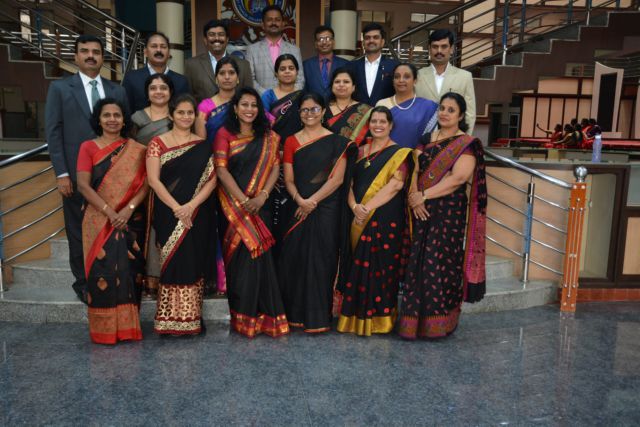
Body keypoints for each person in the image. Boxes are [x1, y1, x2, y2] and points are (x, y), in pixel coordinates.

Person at [45, 34, 129, 303]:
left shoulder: (117, 90)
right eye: (85, 51)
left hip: (113, 175)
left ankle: (111, 277)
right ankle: (83, 282)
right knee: (77, 230)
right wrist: (61, 173)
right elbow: (53, 132)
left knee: (112, 228)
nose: (91, 56)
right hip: (75, 175)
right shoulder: (60, 89)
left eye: (96, 51)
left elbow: (126, 130)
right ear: (76, 56)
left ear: (103, 57)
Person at [399, 92, 487, 340]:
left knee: (439, 262)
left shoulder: (466, 144)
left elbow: (458, 179)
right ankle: (413, 323)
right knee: (418, 262)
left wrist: (423, 195)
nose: (445, 114)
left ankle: (439, 323)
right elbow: (413, 169)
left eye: (451, 110)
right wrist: (414, 196)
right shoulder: (426, 139)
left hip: (448, 211)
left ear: (461, 115)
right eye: (442, 109)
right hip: (420, 208)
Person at [214, 87, 289, 338]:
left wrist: (262, 196)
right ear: (235, 108)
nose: (249, 109)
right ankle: (243, 317)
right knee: (240, 262)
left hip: (260, 206)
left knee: (262, 262)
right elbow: (221, 170)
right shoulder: (224, 134)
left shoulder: (269, 136)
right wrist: (243, 200)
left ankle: (267, 318)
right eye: (244, 105)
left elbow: (275, 168)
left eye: (254, 105)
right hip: (233, 207)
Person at [277, 93, 356, 333]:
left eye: (314, 109)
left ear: (323, 112)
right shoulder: (291, 141)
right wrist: (300, 200)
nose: (309, 114)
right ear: (299, 113)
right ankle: (295, 316)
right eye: (304, 110)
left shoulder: (338, 142)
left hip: (326, 209)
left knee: (323, 259)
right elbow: (288, 179)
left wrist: (312, 202)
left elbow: (337, 180)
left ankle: (319, 317)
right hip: (296, 208)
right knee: (295, 258)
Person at [76, 98, 148, 344]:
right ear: (98, 120)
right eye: (106, 115)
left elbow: (146, 185)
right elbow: (83, 186)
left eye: (117, 115)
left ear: (124, 120)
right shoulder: (88, 147)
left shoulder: (137, 150)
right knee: (102, 272)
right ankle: (104, 331)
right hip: (97, 220)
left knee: (129, 273)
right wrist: (109, 211)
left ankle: (128, 329)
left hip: (129, 220)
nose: (112, 120)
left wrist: (128, 209)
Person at [336, 106, 412, 337]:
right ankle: (353, 318)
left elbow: (395, 185)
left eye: (382, 121)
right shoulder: (358, 151)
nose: (378, 125)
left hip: (385, 217)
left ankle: (381, 321)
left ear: (391, 126)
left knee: (381, 267)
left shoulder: (401, 153)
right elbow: (347, 184)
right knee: (357, 267)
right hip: (357, 214)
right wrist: (355, 207)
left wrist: (367, 208)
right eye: (374, 121)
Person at [146, 94, 218, 335]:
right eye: (181, 112)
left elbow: (211, 180)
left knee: (193, 260)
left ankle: (191, 318)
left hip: (197, 213)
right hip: (168, 212)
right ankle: (168, 320)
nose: (186, 117)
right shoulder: (157, 143)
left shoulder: (202, 145)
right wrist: (177, 208)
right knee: (172, 261)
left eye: (190, 113)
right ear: (171, 115)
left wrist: (191, 206)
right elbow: (153, 181)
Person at [129, 73, 174, 298]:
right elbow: (131, 152)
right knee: (146, 230)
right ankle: (148, 280)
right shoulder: (137, 118)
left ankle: (170, 277)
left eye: (163, 87)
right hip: (143, 182)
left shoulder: (178, 116)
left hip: (173, 183)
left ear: (170, 92)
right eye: (153, 88)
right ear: (147, 93)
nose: (158, 92)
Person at [415, 29, 476, 134]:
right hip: (422, 137)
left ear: (451, 49)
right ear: (429, 49)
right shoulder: (417, 76)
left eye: (444, 47)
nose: (439, 51)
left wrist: (464, 140)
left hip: (453, 139)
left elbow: (470, 114)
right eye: (435, 47)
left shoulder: (465, 77)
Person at [184, 19, 252, 103]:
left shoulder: (243, 65)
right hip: (203, 111)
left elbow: (249, 96)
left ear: (227, 39)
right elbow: (188, 98)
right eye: (212, 35)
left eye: (221, 34)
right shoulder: (192, 65)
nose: (217, 38)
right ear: (205, 40)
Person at [122, 32, 189, 112]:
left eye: (163, 47)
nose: (159, 50)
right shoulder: (132, 79)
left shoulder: (181, 81)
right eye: (154, 46)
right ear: (145, 52)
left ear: (169, 53)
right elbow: (126, 112)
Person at [245, 5, 305, 95]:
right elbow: (250, 79)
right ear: (263, 24)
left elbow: (300, 79)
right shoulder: (252, 50)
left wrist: (286, 96)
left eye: (277, 20)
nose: (274, 23)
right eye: (269, 20)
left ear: (283, 24)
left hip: (288, 100)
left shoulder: (294, 50)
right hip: (262, 100)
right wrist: (267, 95)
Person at [377, 63, 439, 149]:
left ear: (415, 81)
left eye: (406, 77)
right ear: (393, 80)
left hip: (416, 155)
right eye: (397, 77)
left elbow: (433, 137)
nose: (401, 80)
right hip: (386, 154)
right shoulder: (382, 104)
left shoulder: (427, 106)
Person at [348, 23, 398, 106]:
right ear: (363, 43)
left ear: (382, 42)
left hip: (386, 112)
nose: (371, 40)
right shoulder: (351, 66)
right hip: (357, 113)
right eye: (367, 38)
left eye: (376, 37)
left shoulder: (394, 66)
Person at [195, 56, 240, 142]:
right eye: (222, 73)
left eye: (231, 73)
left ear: (238, 79)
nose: (227, 77)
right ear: (216, 79)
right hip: (212, 150)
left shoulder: (245, 104)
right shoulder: (204, 107)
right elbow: (201, 144)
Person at [323, 67, 371, 146]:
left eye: (346, 82)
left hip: (354, 153)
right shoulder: (322, 109)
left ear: (353, 87)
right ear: (332, 86)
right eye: (337, 82)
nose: (341, 85)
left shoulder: (365, 111)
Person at [303, 25, 349, 100]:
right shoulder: (306, 65)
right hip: (314, 106)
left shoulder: (345, 64)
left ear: (333, 42)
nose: (324, 42)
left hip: (338, 106)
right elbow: (304, 90)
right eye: (320, 39)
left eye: (328, 39)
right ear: (315, 44)